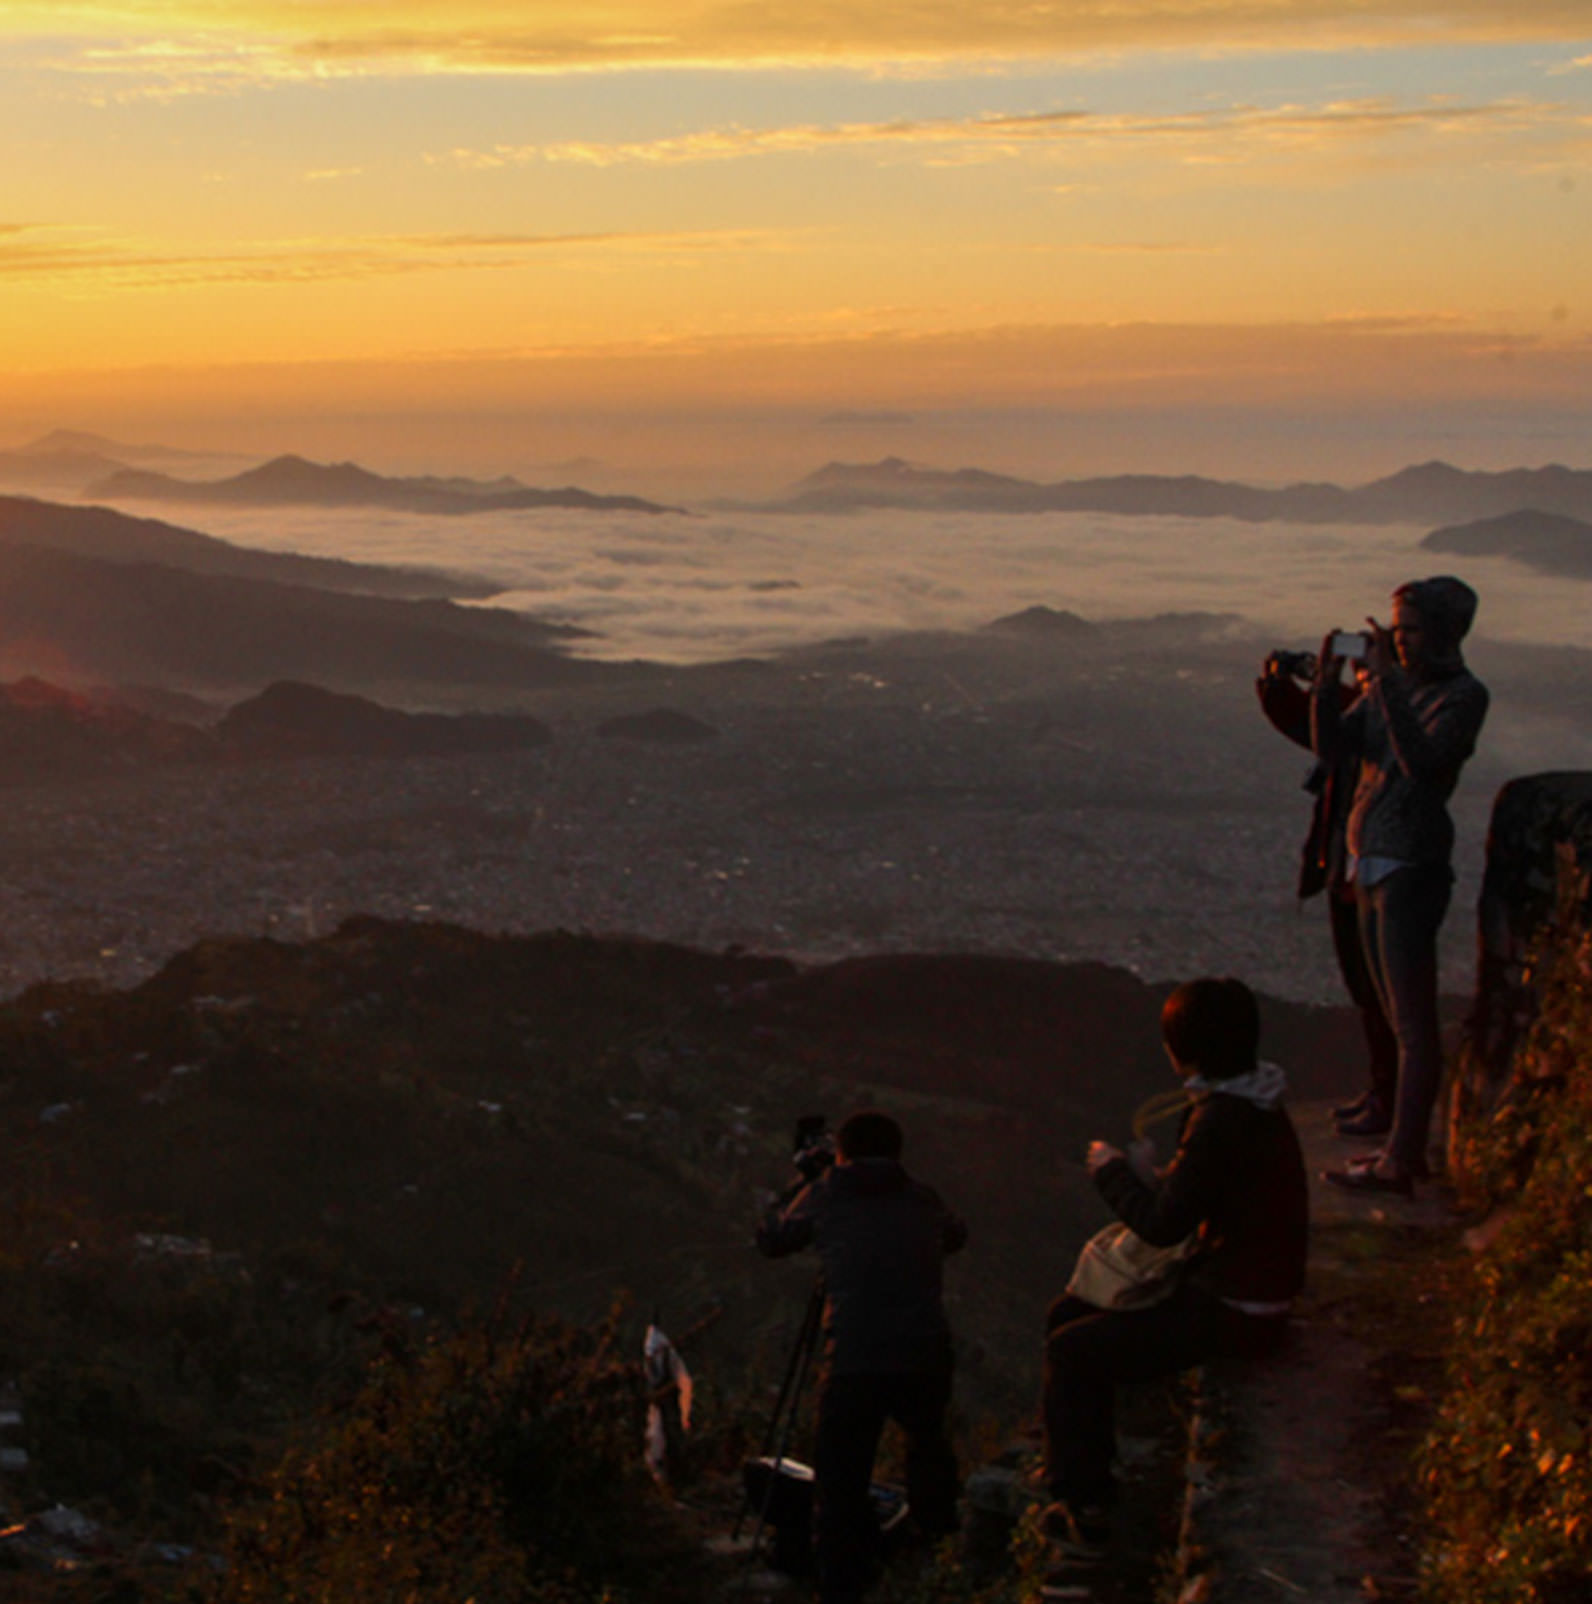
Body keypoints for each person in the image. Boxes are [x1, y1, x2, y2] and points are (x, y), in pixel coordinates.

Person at [1040, 978, 1307, 1554]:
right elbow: (1202, 1196)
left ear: (1179, 1050)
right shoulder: (1254, 1102)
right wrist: (1154, 1176)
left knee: (1071, 1350)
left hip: (1233, 1306)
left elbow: (1163, 1226)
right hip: (1249, 1288)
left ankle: (1085, 1509)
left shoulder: (1219, 1119)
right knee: (1067, 1314)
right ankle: (1073, 1467)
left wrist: (1109, 1172)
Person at [1310, 576, 1489, 1194]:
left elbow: (1422, 766)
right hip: (1370, 860)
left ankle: (1402, 1158)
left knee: (1412, 1025)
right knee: (1390, 1016)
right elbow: (1335, 748)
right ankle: (1395, 1145)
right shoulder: (1397, 688)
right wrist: (1325, 690)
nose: (1397, 641)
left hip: (1412, 867)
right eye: (1395, 629)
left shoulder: (1464, 696)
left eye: (1409, 629)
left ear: (1443, 631)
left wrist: (1384, 686)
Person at [756, 1109, 966, 1604]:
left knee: (841, 1480)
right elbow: (955, 1235)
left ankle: (840, 1584)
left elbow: (771, 1239)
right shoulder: (922, 1196)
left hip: (855, 1355)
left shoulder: (827, 1194)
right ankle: (938, 1561)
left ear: (843, 1153)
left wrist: (806, 1178)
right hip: (924, 1352)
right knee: (928, 1451)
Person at [1257, 650, 1400, 1138]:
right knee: (1366, 990)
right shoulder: (1369, 707)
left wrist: (1308, 687)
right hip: (1348, 865)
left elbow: (1327, 731)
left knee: (1383, 993)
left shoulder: (1397, 710)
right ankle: (1385, 1091)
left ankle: (1393, 1098)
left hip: (1375, 865)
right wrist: (1290, 685)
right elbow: (1319, 731)